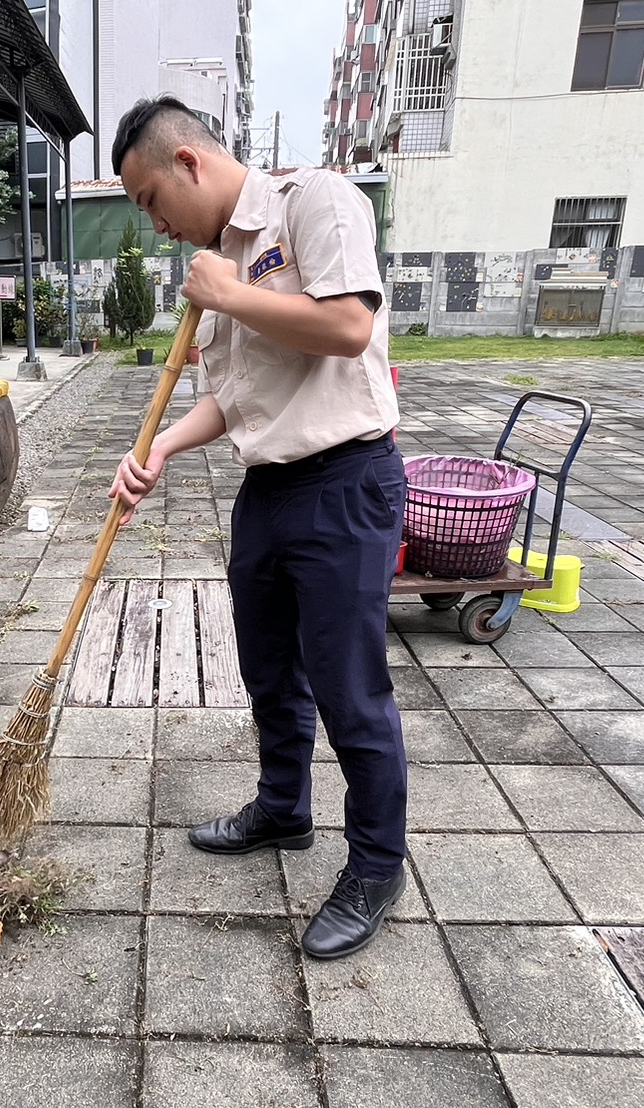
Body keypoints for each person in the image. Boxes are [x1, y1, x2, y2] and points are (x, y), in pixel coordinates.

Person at [108, 96, 407, 960]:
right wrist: (160, 446)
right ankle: (283, 810)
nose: (154, 223)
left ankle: (377, 865)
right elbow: (236, 396)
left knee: (350, 691)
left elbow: (349, 327)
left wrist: (233, 296)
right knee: (268, 671)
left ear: (189, 164)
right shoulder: (219, 264)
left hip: (345, 481)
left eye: (148, 200)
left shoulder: (311, 202)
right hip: (267, 490)